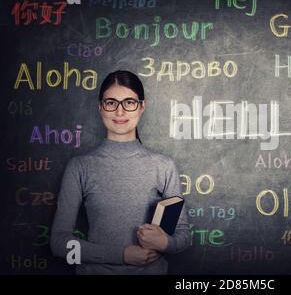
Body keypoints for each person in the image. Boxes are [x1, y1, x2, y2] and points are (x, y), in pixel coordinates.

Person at [50, 70, 189, 274]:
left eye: (129, 102)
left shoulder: (164, 166)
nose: (120, 112)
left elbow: (183, 236)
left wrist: (165, 242)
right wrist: (121, 254)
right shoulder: (79, 167)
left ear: (142, 106)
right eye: (111, 102)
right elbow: (58, 244)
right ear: (100, 107)